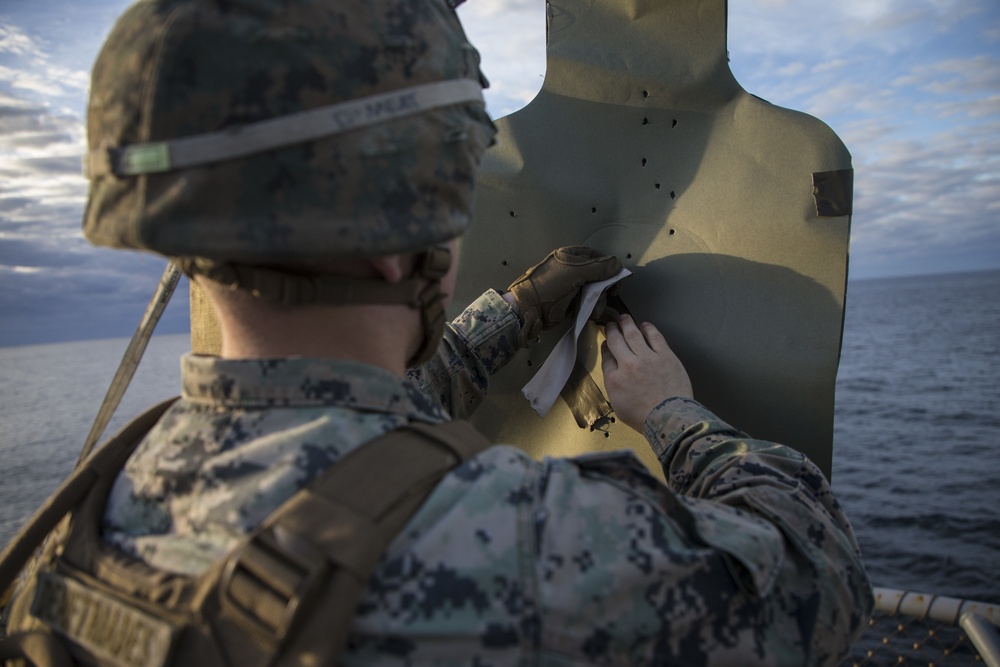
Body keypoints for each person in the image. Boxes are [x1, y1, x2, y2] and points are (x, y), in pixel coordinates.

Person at [2, 0, 873, 664]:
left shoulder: (85, 516)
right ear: (397, 239)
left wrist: (522, 308)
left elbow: (358, 433)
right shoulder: (522, 551)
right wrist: (675, 413)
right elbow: (821, 574)